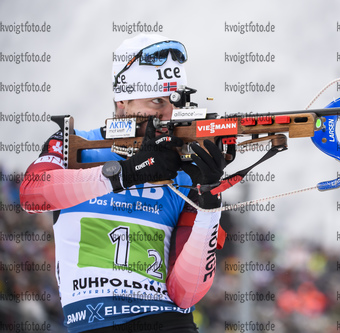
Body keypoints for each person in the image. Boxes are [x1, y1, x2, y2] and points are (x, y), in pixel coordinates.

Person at [20, 34, 229, 333]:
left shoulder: (186, 167)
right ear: (123, 100)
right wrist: (125, 174)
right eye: (156, 101)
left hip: (168, 323)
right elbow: (32, 193)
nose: (167, 115)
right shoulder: (78, 146)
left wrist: (210, 203)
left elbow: (186, 292)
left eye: (175, 102)